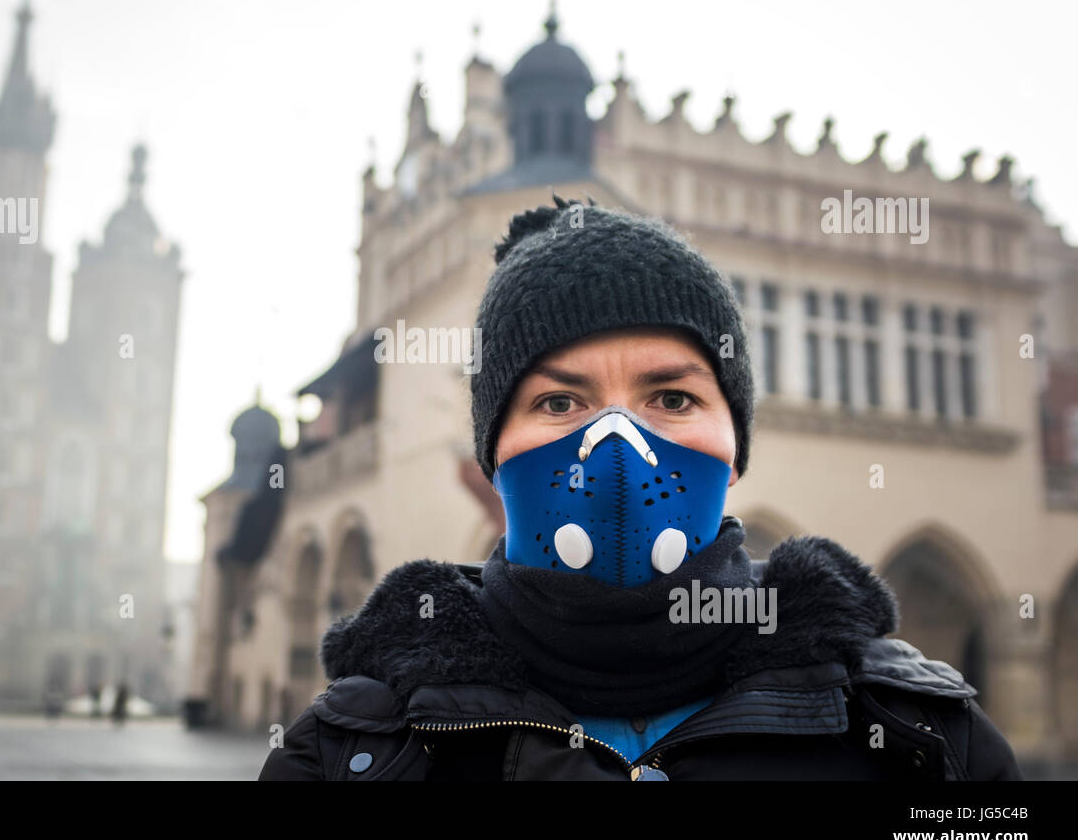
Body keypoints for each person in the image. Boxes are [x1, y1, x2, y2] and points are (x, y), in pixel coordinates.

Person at [259, 196, 1023, 781]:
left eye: (673, 398)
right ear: (492, 449)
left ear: (736, 445)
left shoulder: (921, 738)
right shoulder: (351, 752)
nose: (618, 443)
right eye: (560, 402)